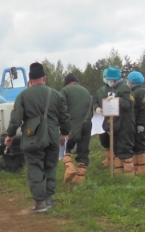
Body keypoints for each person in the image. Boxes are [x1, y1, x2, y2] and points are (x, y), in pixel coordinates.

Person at [5, 62, 70, 212]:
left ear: (30, 79)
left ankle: (40, 203)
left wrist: (10, 135)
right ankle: (49, 199)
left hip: (33, 136)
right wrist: (65, 133)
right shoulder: (57, 94)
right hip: (53, 135)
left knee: (35, 166)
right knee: (51, 166)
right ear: (44, 78)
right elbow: (65, 117)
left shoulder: (23, 95)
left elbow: (16, 119)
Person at [96, 67, 135, 175]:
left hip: (125, 123)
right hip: (117, 122)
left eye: (110, 79)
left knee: (125, 146)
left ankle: (128, 172)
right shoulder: (114, 88)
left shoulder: (125, 88)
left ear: (115, 79)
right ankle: (118, 171)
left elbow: (129, 104)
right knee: (117, 146)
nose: (108, 81)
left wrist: (117, 100)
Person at [60, 73, 92, 183]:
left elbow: (61, 109)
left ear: (67, 83)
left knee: (65, 146)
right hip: (87, 123)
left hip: (72, 124)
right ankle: (80, 178)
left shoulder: (65, 91)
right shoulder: (86, 91)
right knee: (83, 150)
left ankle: (70, 168)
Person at [128, 71, 145, 174]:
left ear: (132, 81)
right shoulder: (132, 91)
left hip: (140, 124)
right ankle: (136, 167)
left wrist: (141, 124)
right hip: (134, 124)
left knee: (141, 145)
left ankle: (143, 169)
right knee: (135, 145)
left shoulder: (143, 92)